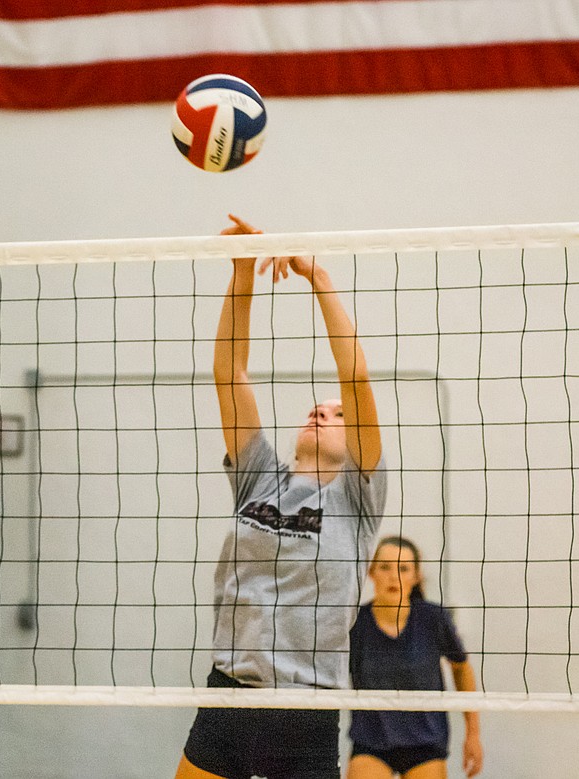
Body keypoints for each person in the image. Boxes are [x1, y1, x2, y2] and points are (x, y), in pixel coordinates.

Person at [176, 215, 387, 779]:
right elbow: (229, 373)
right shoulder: (259, 476)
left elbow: (355, 379)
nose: (324, 412)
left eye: (337, 415)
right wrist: (243, 272)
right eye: (317, 409)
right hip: (228, 695)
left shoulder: (357, 497)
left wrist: (318, 277)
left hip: (304, 709)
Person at [346, 536, 483, 778]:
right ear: (371, 572)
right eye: (385, 567)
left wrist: (473, 734)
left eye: (403, 568)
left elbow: (461, 668)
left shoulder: (433, 619)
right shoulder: (355, 624)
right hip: (372, 741)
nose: (393, 576)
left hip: (425, 742)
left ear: (416, 576)